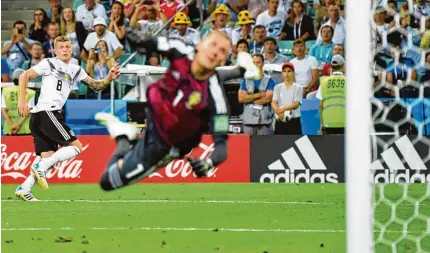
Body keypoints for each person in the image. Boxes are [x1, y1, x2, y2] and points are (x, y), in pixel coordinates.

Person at [94, 29, 261, 191]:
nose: (216, 51)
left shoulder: (216, 97)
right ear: (201, 43)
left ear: (224, 60)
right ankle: (124, 136)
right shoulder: (182, 50)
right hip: (152, 118)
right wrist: (137, 38)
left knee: (107, 181)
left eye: (222, 50)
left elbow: (221, 149)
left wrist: (207, 164)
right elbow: (153, 42)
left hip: (163, 146)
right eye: (213, 44)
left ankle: (123, 137)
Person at [14, 36, 120, 201]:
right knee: (76, 147)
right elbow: (24, 76)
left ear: (71, 49)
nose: (64, 50)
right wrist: (22, 101)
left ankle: (24, 188)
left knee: (47, 158)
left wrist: (108, 78)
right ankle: (39, 168)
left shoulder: (75, 69)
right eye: (61, 47)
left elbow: (95, 85)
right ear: (55, 51)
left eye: (67, 47)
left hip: (43, 116)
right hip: (46, 112)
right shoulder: (49, 63)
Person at [238, 53, 275, 136]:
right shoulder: (245, 79)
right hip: (248, 120)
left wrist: (249, 98)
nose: (255, 65)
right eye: (253, 63)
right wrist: (259, 95)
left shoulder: (270, 80)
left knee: (264, 147)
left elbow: (267, 99)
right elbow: (241, 98)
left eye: (258, 62)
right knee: (248, 147)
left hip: (264, 121)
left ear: (263, 63)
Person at [316, 55, 345, 135]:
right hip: (346, 121)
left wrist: (322, 124)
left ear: (331, 67)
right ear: (343, 66)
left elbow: (321, 105)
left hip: (328, 121)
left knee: (331, 147)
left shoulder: (324, 82)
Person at [1, 69, 36, 135]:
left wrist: (13, 125)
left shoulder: (5, 91)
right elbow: (28, 111)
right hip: (25, 128)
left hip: (10, 128)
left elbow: (3, 110)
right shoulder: (31, 93)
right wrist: (18, 125)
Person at [272, 62, 303, 135]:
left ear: (293, 73)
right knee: (280, 145)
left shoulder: (298, 87)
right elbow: (274, 102)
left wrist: (282, 109)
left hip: (294, 121)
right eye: (284, 71)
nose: (286, 74)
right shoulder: (277, 87)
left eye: (289, 71)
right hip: (280, 119)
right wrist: (278, 111)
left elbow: (296, 104)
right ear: (282, 73)